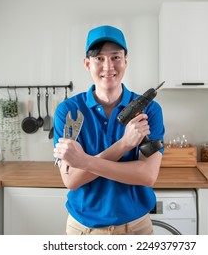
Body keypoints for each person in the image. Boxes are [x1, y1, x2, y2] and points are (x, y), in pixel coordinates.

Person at [53, 25, 165, 235]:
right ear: (87, 64)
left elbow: (147, 175)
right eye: (99, 59)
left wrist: (84, 162)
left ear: (125, 61)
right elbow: (72, 180)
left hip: (136, 228)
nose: (108, 66)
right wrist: (124, 145)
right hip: (83, 231)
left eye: (115, 57)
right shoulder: (68, 111)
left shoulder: (150, 110)